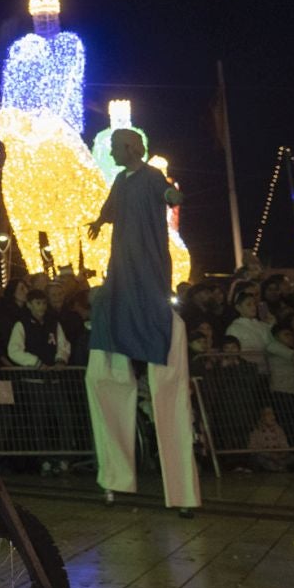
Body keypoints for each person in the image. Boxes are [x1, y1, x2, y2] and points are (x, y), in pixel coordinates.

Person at [83, 128, 199, 515]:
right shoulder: (121, 179)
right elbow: (111, 206)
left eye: (116, 147)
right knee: (106, 377)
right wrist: (100, 222)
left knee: (166, 386)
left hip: (148, 274)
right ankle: (115, 479)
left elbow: (167, 193)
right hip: (122, 276)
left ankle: (180, 493)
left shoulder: (150, 176)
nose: (113, 152)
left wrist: (174, 196)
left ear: (131, 148)